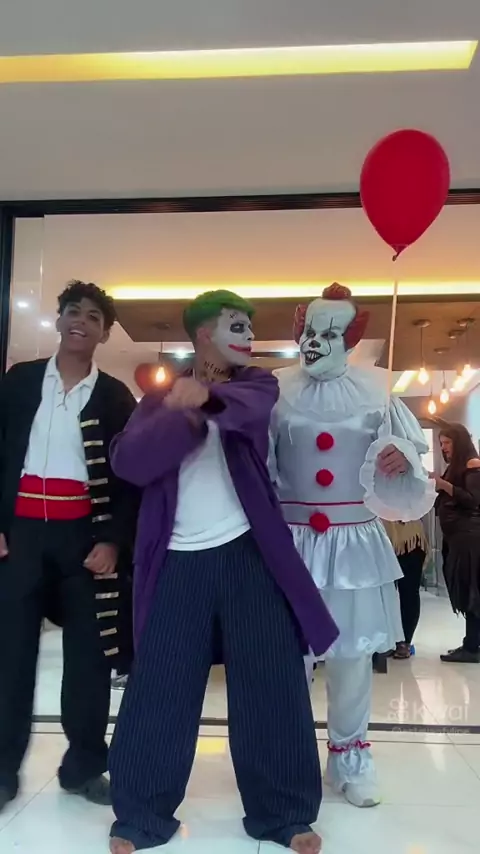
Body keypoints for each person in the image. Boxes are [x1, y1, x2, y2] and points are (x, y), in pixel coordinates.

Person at [107, 289, 338, 854]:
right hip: (176, 559)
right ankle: (140, 816)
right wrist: (181, 410)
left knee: (271, 682)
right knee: (160, 684)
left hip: (249, 553)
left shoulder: (257, 385)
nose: (248, 336)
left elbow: (247, 413)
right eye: (237, 325)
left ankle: (284, 813)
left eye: (249, 327)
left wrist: (205, 398)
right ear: (204, 333)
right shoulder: (157, 401)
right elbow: (130, 461)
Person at [269, 283, 435, 809]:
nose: (315, 341)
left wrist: (400, 458)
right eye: (309, 330)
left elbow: (407, 472)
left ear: (350, 339)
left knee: (351, 656)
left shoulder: (377, 393)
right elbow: (258, 467)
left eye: (330, 332)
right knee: (287, 657)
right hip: (291, 541)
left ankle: (349, 758)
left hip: (353, 542)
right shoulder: (274, 390)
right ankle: (287, 759)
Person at [0, 281, 138, 813]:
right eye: (73, 312)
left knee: (89, 660)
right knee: (10, 657)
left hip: (83, 538)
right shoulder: (20, 381)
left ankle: (83, 767)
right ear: (59, 320)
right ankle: (2, 772)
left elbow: (129, 480)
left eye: (94, 317)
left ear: (105, 333)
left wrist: (112, 540)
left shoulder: (115, 396)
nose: (81, 321)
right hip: (20, 536)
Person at [433, 422, 480, 663]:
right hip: (457, 538)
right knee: (465, 589)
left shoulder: (473, 464)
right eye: (441, 443)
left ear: (459, 442)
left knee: (471, 591)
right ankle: (471, 643)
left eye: (447, 443)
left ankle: (472, 647)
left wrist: (444, 485)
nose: (443, 448)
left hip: (469, 538)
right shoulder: (456, 467)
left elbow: (473, 500)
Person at [382, 519, 429, 658]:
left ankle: (405, 642)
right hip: (383, 537)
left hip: (410, 539)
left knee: (409, 594)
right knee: (384, 595)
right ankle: (389, 640)